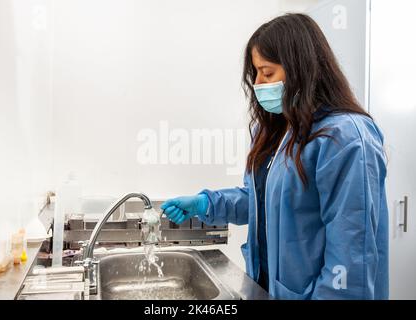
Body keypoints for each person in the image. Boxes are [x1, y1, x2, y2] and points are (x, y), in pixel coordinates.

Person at [161, 13, 388, 300]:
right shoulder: (276, 130)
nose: (258, 84)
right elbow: (265, 201)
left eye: (267, 73)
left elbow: (351, 259)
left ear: (300, 69)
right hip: (267, 287)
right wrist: (207, 203)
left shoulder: (345, 137)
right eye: (255, 74)